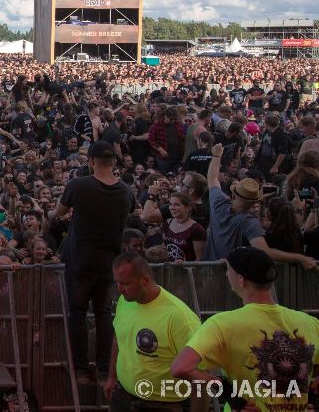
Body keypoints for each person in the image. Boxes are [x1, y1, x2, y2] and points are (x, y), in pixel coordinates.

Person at [172, 246, 319, 412]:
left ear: (241, 280)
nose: (226, 274)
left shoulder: (222, 324)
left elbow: (181, 367)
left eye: (228, 270)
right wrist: (313, 398)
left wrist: (231, 394)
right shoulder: (310, 322)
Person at [52, 141, 136, 384]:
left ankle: (79, 369)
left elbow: (59, 212)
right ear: (114, 163)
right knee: (103, 313)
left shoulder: (79, 184)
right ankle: (102, 369)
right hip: (109, 263)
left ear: (90, 161)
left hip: (80, 260)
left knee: (77, 312)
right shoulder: (126, 191)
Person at [104, 252, 202, 412]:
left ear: (145, 281)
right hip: (123, 396)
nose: (119, 289)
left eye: (125, 283)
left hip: (161, 404)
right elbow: (119, 338)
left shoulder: (179, 318)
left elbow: (200, 375)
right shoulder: (126, 301)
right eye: (117, 282)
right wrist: (112, 377)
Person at [202, 142, 317, 268]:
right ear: (255, 201)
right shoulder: (249, 223)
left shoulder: (219, 203)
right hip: (237, 276)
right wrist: (300, 258)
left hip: (211, 270)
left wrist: (217, 156)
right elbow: (266, 251)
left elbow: (212, 178)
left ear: (233, 195)